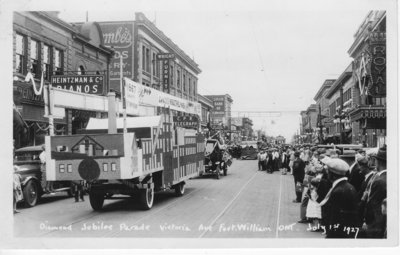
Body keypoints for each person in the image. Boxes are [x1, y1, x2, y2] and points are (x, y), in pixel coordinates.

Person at [319, 157, 361, 238]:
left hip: (338, 234)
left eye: (328, 172)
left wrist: (330, 235)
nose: (327, 174)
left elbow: (334, 217)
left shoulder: (338, 191)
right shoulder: (349, 187)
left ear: (332, 175)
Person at [360, 145, 387, 238]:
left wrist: (368, 224)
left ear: (377, 161)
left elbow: (372, 206)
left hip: (376, 226)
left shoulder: (379, 181)